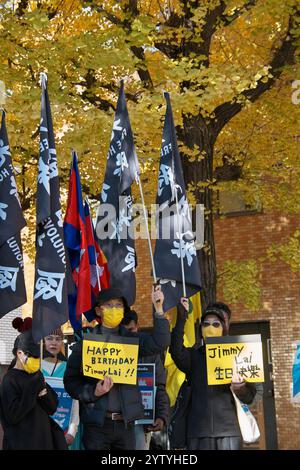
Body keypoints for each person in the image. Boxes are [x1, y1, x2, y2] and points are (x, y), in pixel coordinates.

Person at [64, 285, 170, 450]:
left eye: (119, 305)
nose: (115, 309)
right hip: (96, 427)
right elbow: (70, 382)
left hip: (126, 426)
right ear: (99, 311)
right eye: (109, 305)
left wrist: (158, 309)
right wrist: (93, 391)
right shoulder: (86, 343)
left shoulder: (133, 341)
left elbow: (160, 342)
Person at [170, 300, 262, 450]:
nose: (210, 328)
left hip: (229, 431)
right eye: (205, 324)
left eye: (216, 324)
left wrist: (240, 388)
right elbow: (175, 350)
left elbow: (249, 396)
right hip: (198, 432)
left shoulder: (239, 355)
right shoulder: (194, 357)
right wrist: (181, 318)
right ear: (200, 329)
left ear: (224, 328)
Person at [0, 328, 67, 450]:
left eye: (38, 357)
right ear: (20, 353)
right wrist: (34, 390)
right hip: (20, 443)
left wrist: (42, 394)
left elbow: (52, 407)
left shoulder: (37, 375)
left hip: (44, 441)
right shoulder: (9, 379)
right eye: (32, 356)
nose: (36, 360)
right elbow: (13, 416)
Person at [122, 309, 170, 450]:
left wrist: (161, 416)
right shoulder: (111, 351)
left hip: (142, 422)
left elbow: (160, 386)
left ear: (137, 326)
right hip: (115, 422)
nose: (128, 335)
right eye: (124, 332)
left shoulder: (151, 353)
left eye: (130, 330)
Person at [42, 328, 80, 449]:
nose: (53, 343)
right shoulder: (35, 367)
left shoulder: (68, 368)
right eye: (49, 338)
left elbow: (74, 402)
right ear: (42, 341)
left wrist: (72, 431)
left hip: (62, 432)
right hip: (39, 431)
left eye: (58, 339)